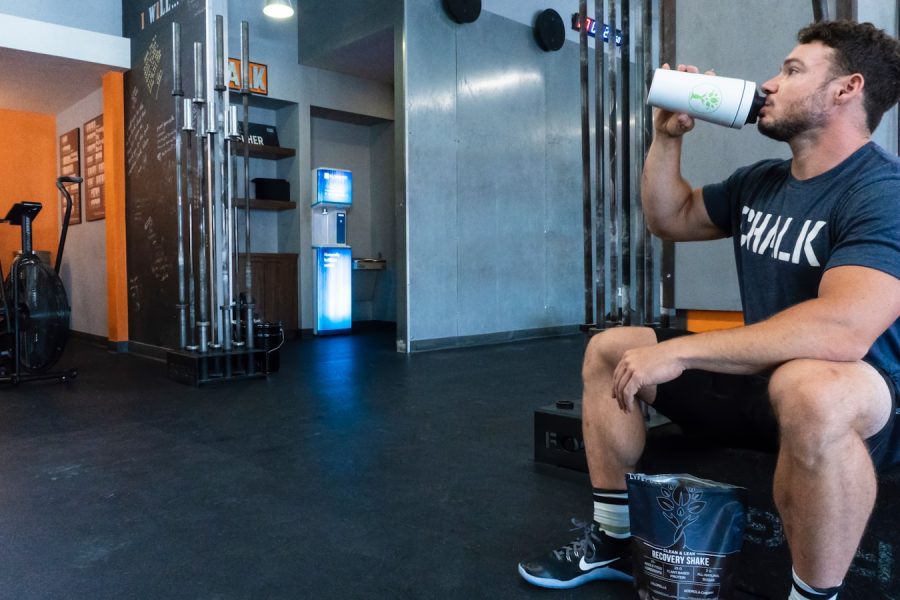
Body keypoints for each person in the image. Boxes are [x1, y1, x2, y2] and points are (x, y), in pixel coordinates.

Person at [518, 19, 900, 600]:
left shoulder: (880, 191)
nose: (769, 84)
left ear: (846, 89)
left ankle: (814, 596)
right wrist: (667, 137)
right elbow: (668, 218)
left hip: (857, 397)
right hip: (765, 385)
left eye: (793, 70)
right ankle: (615, 538)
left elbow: (842, 329)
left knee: (810, 387)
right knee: (612, 348)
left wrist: (680, 349)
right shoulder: (762, 182)